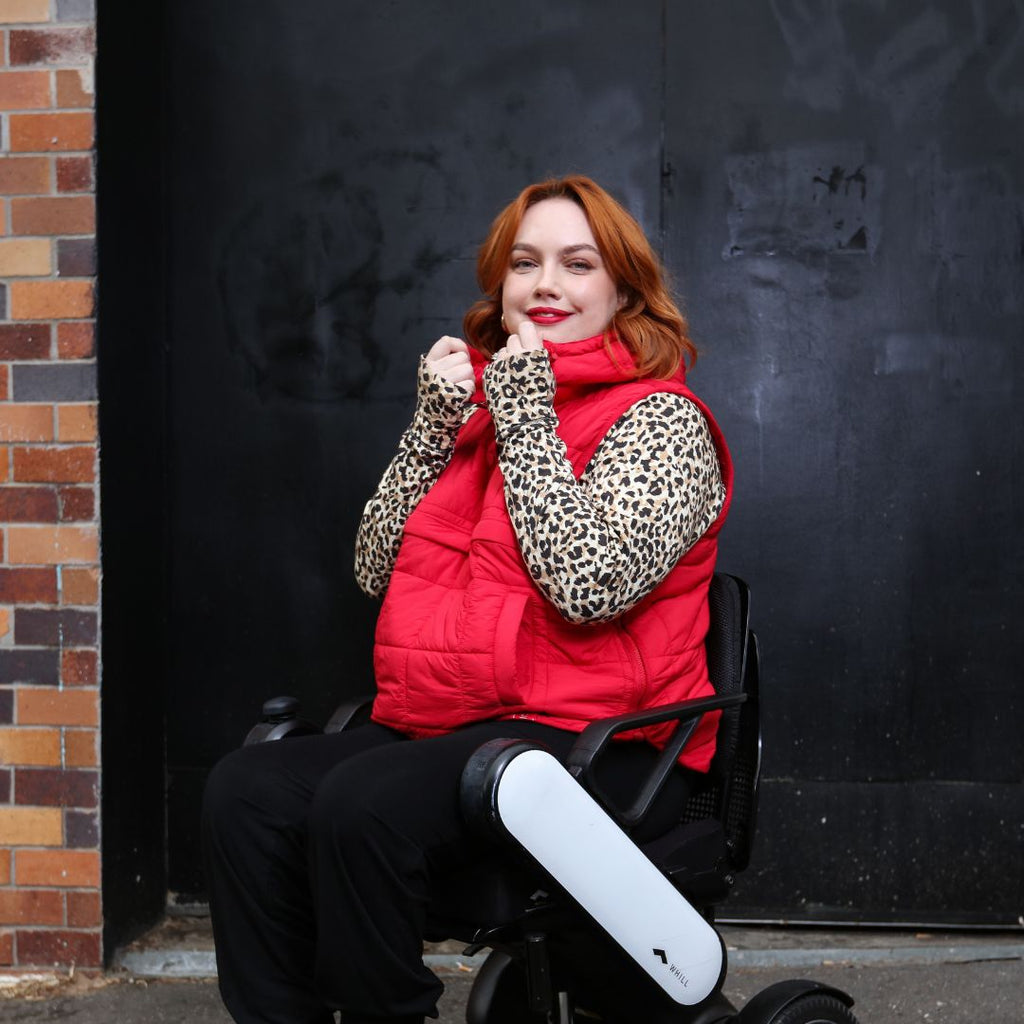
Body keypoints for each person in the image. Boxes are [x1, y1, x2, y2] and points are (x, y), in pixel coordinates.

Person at [202, 175, 733, 1024]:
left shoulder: (662, 422)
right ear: (500, 285)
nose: (545, 284)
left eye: (577, 263)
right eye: (524, 264)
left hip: (596, 743)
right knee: (247, 790)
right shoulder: (480, 417)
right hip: (458, 721)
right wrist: (430, 430)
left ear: (624, 289)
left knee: (362, 801)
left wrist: (522, 417)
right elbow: (374, 569)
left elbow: (587, 585)